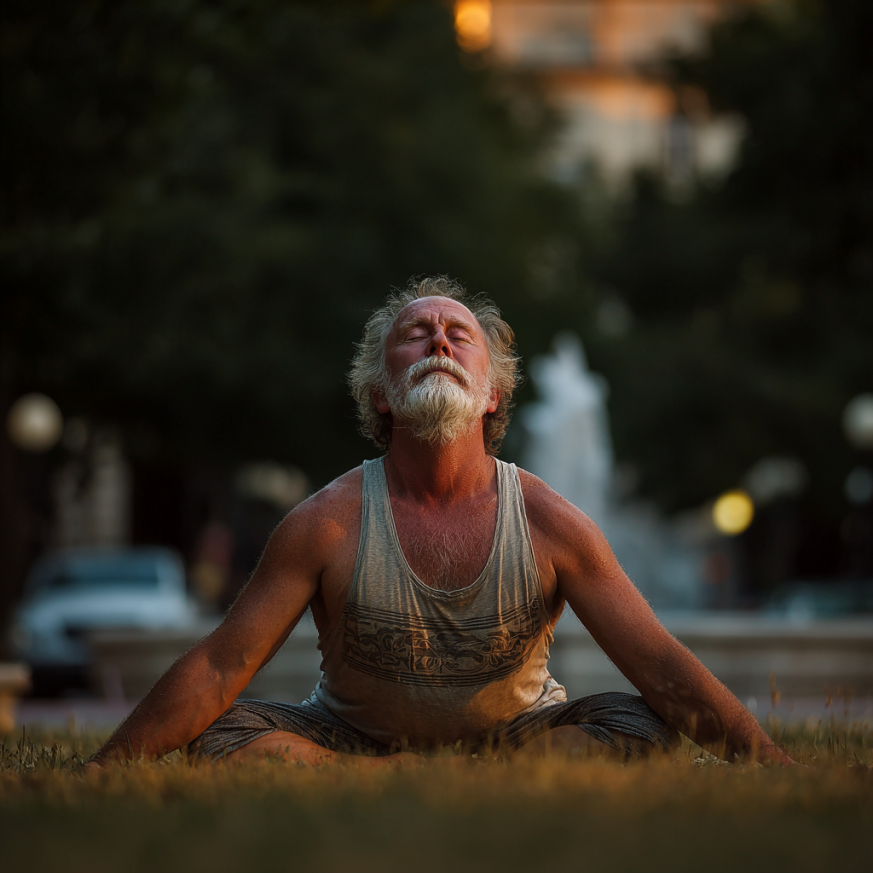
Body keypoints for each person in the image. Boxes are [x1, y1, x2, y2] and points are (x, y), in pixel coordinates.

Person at [89, 277, 793, 768]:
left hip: (524, 736)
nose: (438, 342)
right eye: (415, 334)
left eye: (459, 335)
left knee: (638, 723)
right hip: (345, 740)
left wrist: (770, 761)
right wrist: (105, 767)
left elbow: (659, 664)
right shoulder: (322, 523)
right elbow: (219, 667)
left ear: (491, 393)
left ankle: (470, 771)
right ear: (379, 394)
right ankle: (402, 776)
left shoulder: (551, 521)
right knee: (224, 736)